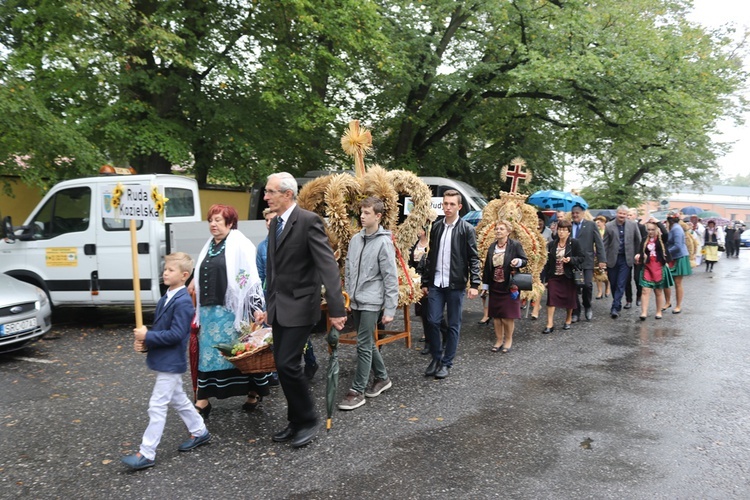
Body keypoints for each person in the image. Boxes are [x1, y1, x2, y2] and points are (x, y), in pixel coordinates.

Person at [259, 172, 346, 448]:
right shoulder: (275, 225)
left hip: (300, 306)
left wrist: (337, 308)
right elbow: (273, 270)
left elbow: (327, 267)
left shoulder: (309, 222)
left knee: (287, 364)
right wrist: (265, 304)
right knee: (283, 366)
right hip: (278, 307)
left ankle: (308, 419)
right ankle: (295, 420)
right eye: (266, 191)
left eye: (271, 192)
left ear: (287, 194)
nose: (266, 196)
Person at [122, 252, 209, 471]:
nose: (165, 273)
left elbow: (177, 335)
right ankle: (200, 431)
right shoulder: (167, 297)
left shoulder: (183, 303)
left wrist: (147, 336)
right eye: (165, 269)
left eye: (171, 270)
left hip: (171, 363)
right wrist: (146, 343)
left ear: (184, 275)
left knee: (157, 406)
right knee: (178, 400)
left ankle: (147, 453)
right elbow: (161, 330)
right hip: (164, 360)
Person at [190, 204, 270, 419]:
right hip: (209, 312)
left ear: (230, 222)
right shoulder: (208, 246)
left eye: (218, 220)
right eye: (211, 220)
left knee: (239, 355)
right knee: (210, 355)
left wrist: (255, 308)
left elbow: (249, 279)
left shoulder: (240, 244)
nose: (213, 224)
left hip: (231, 312)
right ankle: (203, 399)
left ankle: (254, 391)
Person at [338, 197, 399, 410]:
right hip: (355, 299)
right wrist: (346, 295)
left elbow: (390, 277)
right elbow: (349, 268)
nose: (362, 217)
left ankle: (357, 390)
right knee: (368, 342)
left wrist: (390, 308)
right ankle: (382, 378)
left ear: (378, 216)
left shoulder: (384, 242)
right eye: (361, 213)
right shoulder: (356, 240)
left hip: (372, 301)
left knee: (363, 343)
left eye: (367, 213)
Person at [420, 189, 481, 380]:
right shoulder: (437, 227)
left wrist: (475, 283)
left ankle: (446, 363)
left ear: (459, 207)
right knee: (432, 320)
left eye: (452, 204)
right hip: (437, 283)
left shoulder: (466, 229)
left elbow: (473, 257)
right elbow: (430, 256)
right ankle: (436, 358)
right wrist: (425, 281)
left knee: (454, 324)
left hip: (455, 284)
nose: (448, 207)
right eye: (445, 203)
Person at [257, 208, 318, 382]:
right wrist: (263, 299)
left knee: (298, 334)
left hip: (291, 296)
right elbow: (260, 274)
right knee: (274, 333)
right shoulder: (262, 247)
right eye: (267, 220)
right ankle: (276, 371)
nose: (270, 223)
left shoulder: (292, 240)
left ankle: (310, 361)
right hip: (271, 294)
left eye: (272, 219)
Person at [481, 220, 528, 352]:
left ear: (508, 232)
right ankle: (498, 339)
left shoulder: (515, 245)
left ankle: (508, 339)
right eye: (496, 229)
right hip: (495, 284)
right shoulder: (492, 247)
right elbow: (487, 268)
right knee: (496, 315)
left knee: (507, 316)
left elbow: (524, 260)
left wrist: (517, 261)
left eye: (501, 229)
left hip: (509, 285)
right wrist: (485, 286)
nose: (498, 231)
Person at [542, 220, 584, 333]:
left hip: (568, 276)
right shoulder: (552, 244)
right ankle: (549, 323)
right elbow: (547, 262)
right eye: (560, 229)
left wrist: (570, 260)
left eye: (564, 230)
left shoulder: (574, 243)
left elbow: (581, 258)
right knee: (551, 299)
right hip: (554, 276)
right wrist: (544, 278)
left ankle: (568, 319)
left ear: (569, 232)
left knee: (569, 299)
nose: (561, 232)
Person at [602, 205, 641, 319]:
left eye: (624, 214)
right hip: (612, 259)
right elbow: (605, 244)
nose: (622, 216)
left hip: (626, 259)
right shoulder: (609, 226)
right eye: (620, 213)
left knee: (621, 283)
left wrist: (638, 254)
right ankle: (617, 303)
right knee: (613, 283)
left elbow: (638, 240)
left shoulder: (633, 225)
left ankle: (615, 307)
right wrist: (603, 260)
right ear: (616, 213)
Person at [570, 205, 606, 322]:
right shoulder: (568, 225)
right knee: (574, 287)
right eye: (573, 213)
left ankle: (587, 305)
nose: (575, 215)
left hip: (587, 260)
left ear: (583, 213)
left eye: (577, 213)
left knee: (587, 285)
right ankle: (576, 311)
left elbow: (599, 243)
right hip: (572, 261)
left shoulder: (591, 225)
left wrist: (602, 260)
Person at [635, 220, 673, 320]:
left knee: (658, 291)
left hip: (659, 267)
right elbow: (640, 251)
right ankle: (644, 312)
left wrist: (658, 222)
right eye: (648, 230)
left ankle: (658, 311)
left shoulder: (661, 239)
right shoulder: (644, 239)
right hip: (647, 266)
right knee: (645, 290)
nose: (650, 232)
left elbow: (665, 233)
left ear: (656, 230)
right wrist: (638, 255)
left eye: (652, 229)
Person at [663, 212, 692, 314]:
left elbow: (678, 246)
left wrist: (665, 253)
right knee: (666, 280)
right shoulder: (674, 228)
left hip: (679, 257)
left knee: (678, 283)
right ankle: (668, 302)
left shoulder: (676, 229)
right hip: (673, 257)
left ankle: (678, 306)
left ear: (669, 221)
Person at [530, 211, 553, 320]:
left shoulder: (548, 232)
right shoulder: (530, 231)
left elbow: (552, 246)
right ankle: (534, 302)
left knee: (539, 283)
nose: (539, 223)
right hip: (531, 261)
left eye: (541, 221)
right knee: (530, 283)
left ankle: (535, 309)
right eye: (537, 221)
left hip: (543, 261)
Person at [625, 208, 648, 308]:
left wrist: (640, 253)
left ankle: (639, 296)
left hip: (638, 256)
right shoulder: (624, 226)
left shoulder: (641, 227)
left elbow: (644, 241)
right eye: (628, 215)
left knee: (637, 278)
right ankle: (628, 300)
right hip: (627, 256)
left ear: (635, 216)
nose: (628, 217)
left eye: (630, 215)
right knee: (626, 279)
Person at [593, 216, 610, 300]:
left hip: (606, 255)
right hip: (596, 255)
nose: (597, 223)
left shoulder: (607, 231)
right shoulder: (595, 231)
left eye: (599, 222)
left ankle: (607, 286)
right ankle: (599, 291)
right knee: (597, 273)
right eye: (596, 222)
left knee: (605, 274)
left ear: (603, 222)